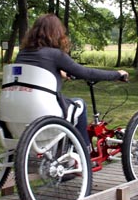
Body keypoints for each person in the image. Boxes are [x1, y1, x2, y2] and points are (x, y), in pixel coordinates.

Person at [15, 13, 128, 149]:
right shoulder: (55, 55)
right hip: (44, 108)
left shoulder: (23, 54)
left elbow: (35, 73)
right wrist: (117, 74)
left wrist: (57, 71)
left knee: (70, 107)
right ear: (56, 33)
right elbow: (87, 73)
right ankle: (84, 150)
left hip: (18, 108)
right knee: (79, 104)